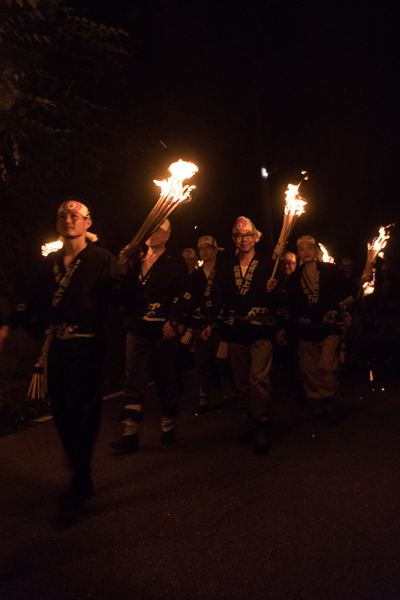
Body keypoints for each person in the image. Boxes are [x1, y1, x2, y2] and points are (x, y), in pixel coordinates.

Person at [10, 197, 120, 523]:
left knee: (83, 410)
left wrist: (124, 279)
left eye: (75, 215)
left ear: (88, 222)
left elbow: (119, 299)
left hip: (87, 346)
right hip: (59, 346)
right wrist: (9, 322)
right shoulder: (51, 264)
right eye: (63, 215)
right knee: (61, 411)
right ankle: (80, 470)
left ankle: (77, 482)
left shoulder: (102, 259)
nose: (68, 219)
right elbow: (30, 301)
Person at [111, 219, 191, 453]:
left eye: (160, 231)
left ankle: (168, 425)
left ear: (168, 235)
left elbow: (184, 293)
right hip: (138, 327)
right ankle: (130, 432)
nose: (154, 235)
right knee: (134, 377)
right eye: (152, 230)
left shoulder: (174, 260)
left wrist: (174, 320)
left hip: (163, 329)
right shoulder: (136, 259)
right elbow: (120, 292)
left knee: (165, 377)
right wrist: (123, 264)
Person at [203, 217, 279, 454]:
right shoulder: (225, 266)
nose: (243, 240)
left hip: (261, 329)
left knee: (258, 378)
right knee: (242, 381)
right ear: (234, 240)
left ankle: (262, 424)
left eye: (248, 236)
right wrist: (208, 321)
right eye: (239, 236)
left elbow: (283, 298)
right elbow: (216, 295)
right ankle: (251, 420)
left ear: (255, 238)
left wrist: (275, 290)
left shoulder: (269, 264)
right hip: (236, 329)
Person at [280, 235, 351, 422]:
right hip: (306, 330)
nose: (306, 251)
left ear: (316, 251)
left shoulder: (330, 270)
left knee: (327, 366)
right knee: (309, 369)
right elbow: (290, 304)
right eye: (302, 249)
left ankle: (329, 402)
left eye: (309, 248)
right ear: (299, 253)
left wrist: (341, 311)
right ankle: (318, 405)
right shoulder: (295, 278)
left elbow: (348, 291)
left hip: (329, 328)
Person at [189, 235, 224, 413]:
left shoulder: (224, 271)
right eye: (201, 248)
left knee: (223, 362)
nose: (204, 251)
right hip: (201, 325)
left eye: (208, 248)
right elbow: (192, 300)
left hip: (221, 324)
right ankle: (204, 396)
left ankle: (231, 393)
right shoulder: (195, 275)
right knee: (201, 362)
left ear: (215, 250)